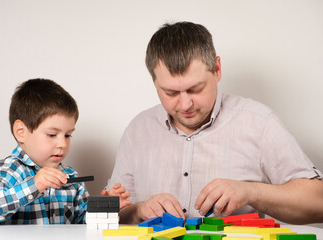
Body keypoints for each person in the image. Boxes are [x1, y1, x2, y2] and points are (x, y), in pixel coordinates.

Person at [106, 21, 323, 225]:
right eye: (170, 92)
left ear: (217, 70)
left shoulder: (259, 122)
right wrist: (138, 210)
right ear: (154, 82)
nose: (185, 104)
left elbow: (318, 202)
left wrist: (250, 192)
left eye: (195, 89)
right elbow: (106, 213)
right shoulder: (138, 130)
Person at [0, 79, 130, 225]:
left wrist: (105, 208)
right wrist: (35, 185)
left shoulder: (71, 177)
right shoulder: (11, 170)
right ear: (21, 132)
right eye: (52, 135)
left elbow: (82, 223)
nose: (62, 143)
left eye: (68, 135)